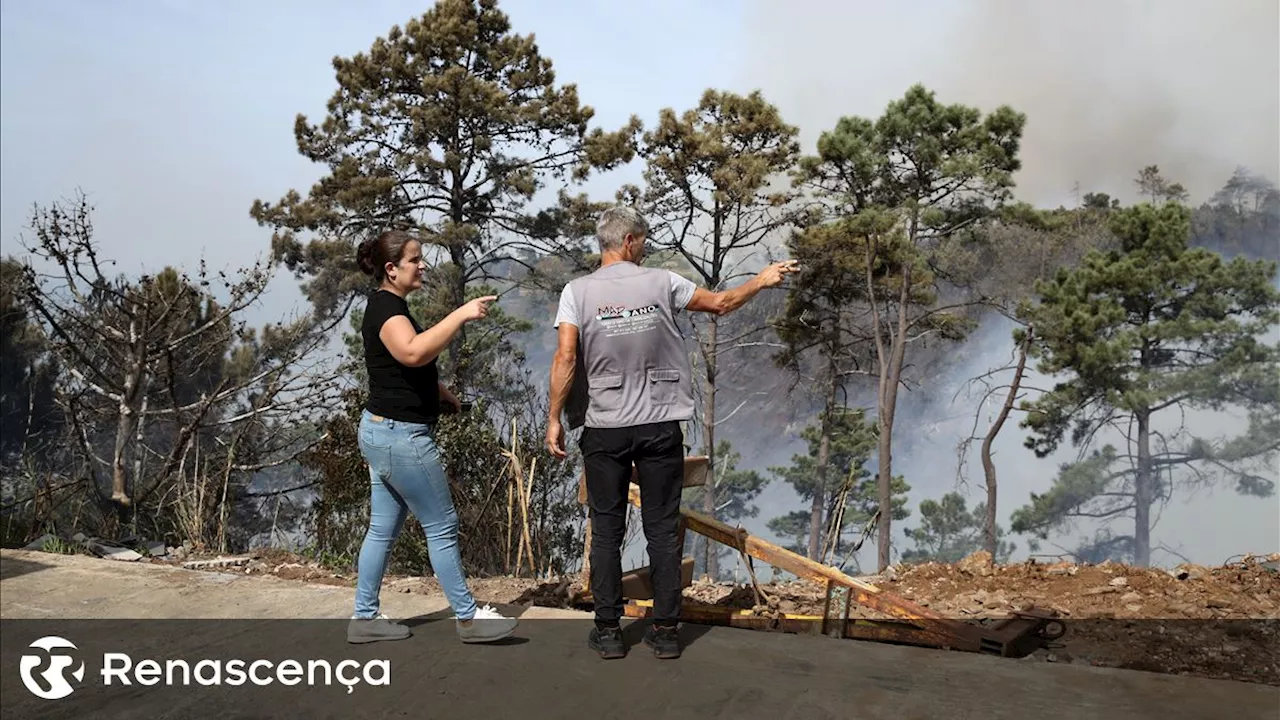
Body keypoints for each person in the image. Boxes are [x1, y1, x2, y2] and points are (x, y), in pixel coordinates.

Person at [545, 206, 798, 660]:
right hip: (659, 423)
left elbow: (565, 358)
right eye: (642, 239)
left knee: (606, 529)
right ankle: (664, 631)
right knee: (662, 528)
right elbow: (721, 303)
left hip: (604, 427)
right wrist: (761, 280)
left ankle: (607, 631)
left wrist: (554, 418)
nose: (644, 246)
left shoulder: (575, 293)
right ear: (628, 242)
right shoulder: (664, 282)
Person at [347, 229, 519, 645]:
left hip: (382, 431)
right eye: (414, 260)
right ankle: (468, 619)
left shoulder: (390, 306)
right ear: (391, 269)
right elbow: (411, 352)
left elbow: (401, 366)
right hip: (400, 436)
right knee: (441, 525)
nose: (423, 265)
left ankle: (364, 617)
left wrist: (441, 393)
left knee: (382, 529)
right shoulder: (388, 310)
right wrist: (459, 315)